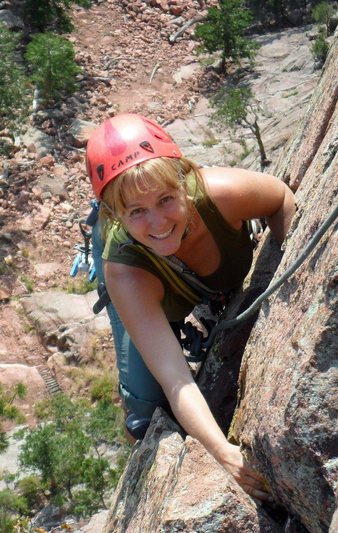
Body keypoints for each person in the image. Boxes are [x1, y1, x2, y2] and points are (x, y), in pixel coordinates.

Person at [85, 113, 296, 501]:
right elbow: (177, 379)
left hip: (192, 266)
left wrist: (287, 271)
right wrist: (221, 452)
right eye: (137, 211)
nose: (158, 221)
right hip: (150, 285)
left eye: (165, 199)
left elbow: (280, 198)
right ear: (116, 216)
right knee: (145, 415)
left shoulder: (219, 194)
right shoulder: (127, 272)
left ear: (184, 183)